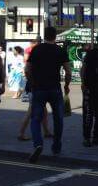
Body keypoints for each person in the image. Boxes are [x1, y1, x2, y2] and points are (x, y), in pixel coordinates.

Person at [24, 26, 73, 162]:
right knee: (58, 118)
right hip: (55, 89)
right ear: (55, 37)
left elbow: (27, 69)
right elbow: (68, 71)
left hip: (39, 88)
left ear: (44, 36)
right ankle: (56, 146)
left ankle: (38, 144)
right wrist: (67, 85)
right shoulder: (60, 50)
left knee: (35, 118)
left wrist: (32, 82)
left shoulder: (36, 49)